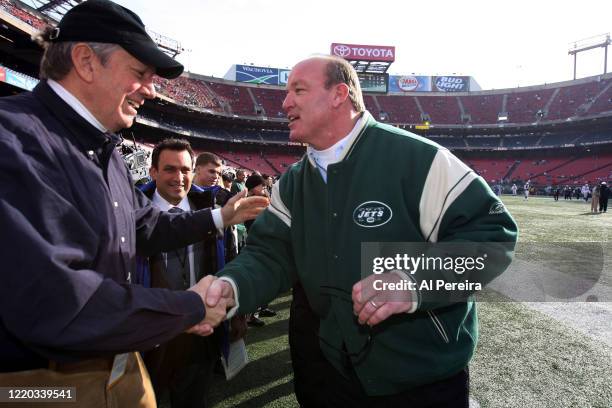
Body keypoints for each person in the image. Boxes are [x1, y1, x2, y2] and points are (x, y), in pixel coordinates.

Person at [205, 56, 518, 407]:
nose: (285, 101)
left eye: (299, 90)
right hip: (331, 372)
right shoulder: (293, 181)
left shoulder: (419, 159)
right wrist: (231, 286)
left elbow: (495, 236)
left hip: (422, 379)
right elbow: (270, 254)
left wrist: (413, 281)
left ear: (340, 94)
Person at [0, 1, 267, 406]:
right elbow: (60, 303)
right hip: (33, 386)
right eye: (140, 73)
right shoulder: (14, 141)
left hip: (110, 364)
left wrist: (219, 216)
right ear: (86, 62)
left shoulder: (102, 149)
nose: (152, 88)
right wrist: (190, 306)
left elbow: (144, 227)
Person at [139, 140, 245, 407]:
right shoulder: (134, 211)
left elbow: (230, 262)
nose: (179, 178)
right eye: (170, 170)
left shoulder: (212, 208)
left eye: (185, 170)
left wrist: (236, 314)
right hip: (150, 335)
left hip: (201, 335)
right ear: (153, 172)